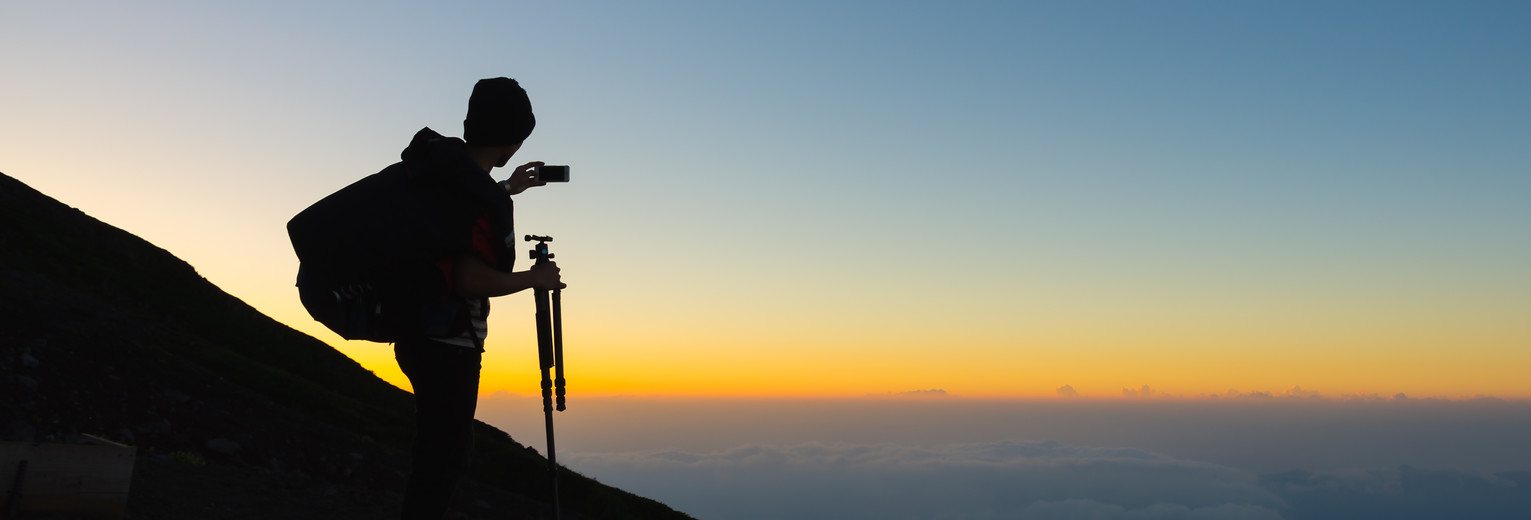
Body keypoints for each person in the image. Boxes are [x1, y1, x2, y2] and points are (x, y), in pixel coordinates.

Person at [390, 77, 565, 519]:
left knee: (435, 450)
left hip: (414, 327)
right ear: (515, 139)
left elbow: (457, 218)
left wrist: (505, 187)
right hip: (449, 340)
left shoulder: (442, 172)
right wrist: (534, 277)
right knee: (444, 461)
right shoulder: (477, 194)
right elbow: (468, 279)